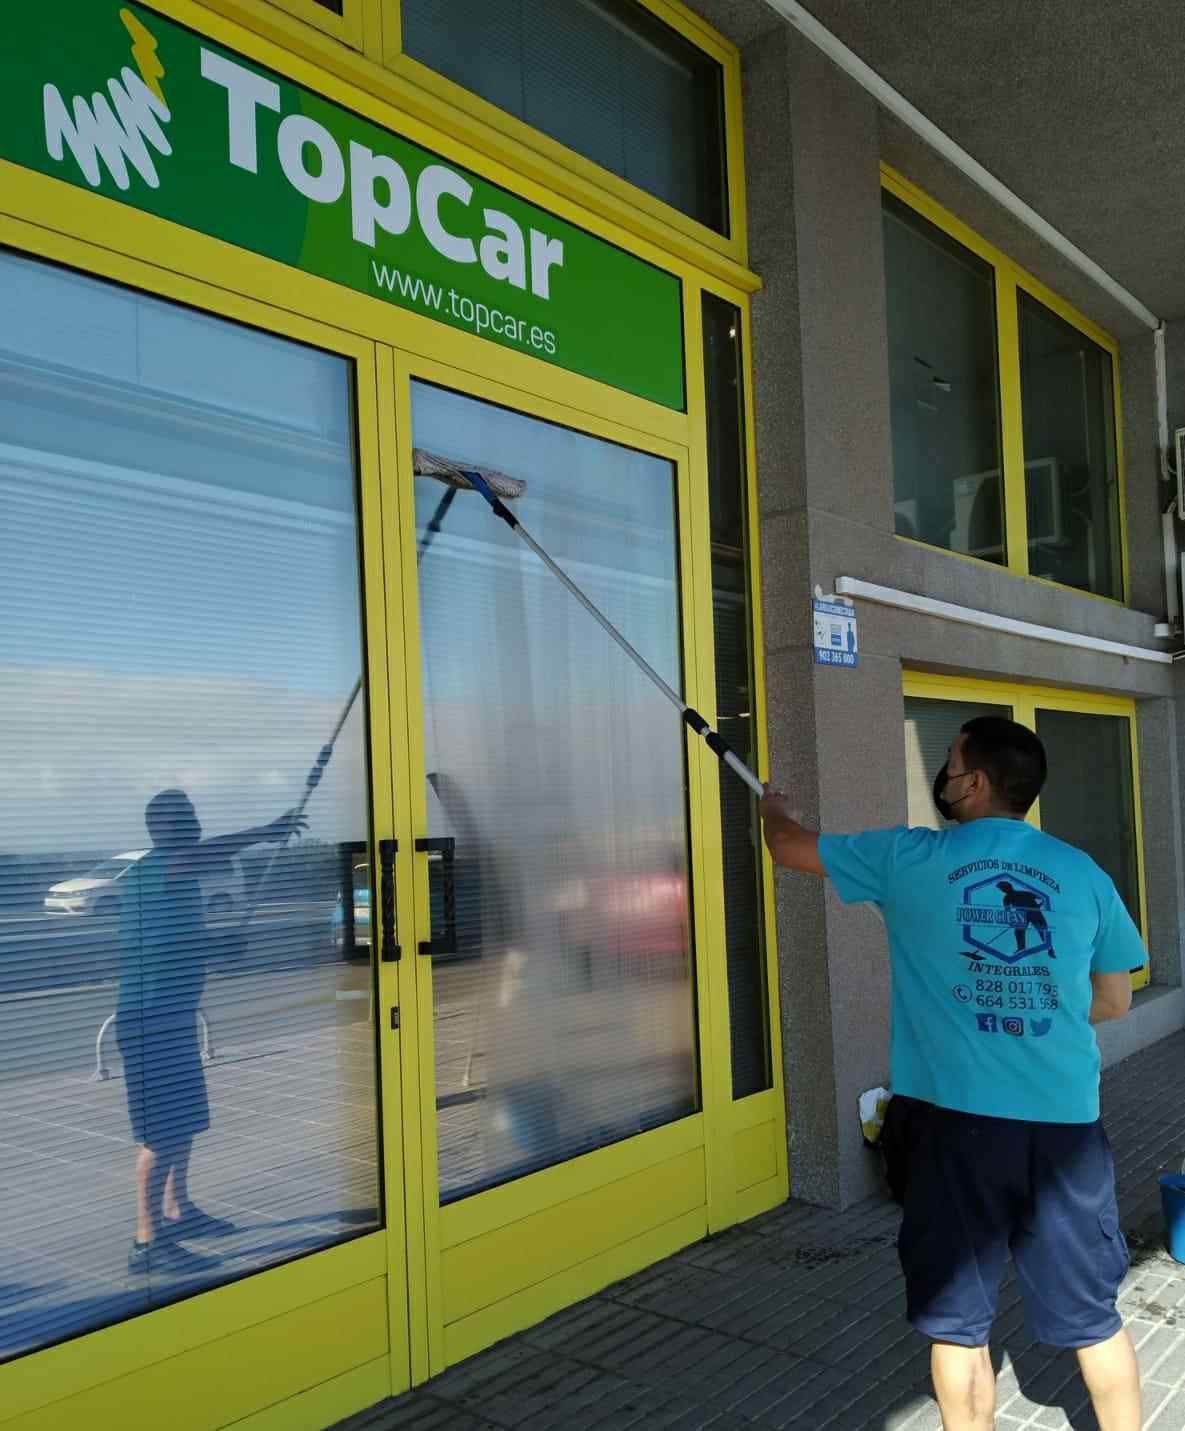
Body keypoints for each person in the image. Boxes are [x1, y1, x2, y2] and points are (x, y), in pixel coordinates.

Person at [759, 717, 1145, 1431]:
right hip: (1062, 1129)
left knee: (958, 1328)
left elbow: (786, 847)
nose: (942, 774)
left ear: (973, 783)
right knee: (1094, 1318)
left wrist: (772, 806)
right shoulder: (1082, 872)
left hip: (950, 1131)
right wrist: (1033, 1010)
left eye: (949, 762)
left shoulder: (906, 858)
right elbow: (1115, 999)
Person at [117, 789, 305, 1276]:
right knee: (160, 1133)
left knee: (183, 1122)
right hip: (149, 1022)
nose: (196, 823)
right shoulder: (155, 869)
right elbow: (204, 854)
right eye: (187, 817)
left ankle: (177, 1209)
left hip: (173, 1018)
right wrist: (267, 831)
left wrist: (222, 947)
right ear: (165, 829)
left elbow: (179, 943)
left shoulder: (177, 880)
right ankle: (146, 1243)